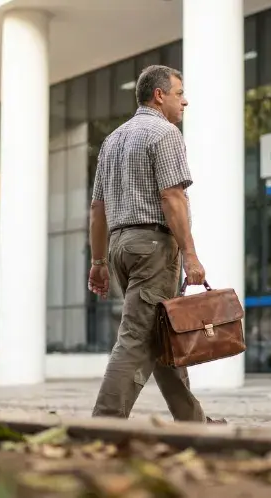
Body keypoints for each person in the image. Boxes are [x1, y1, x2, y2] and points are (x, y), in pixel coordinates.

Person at [87, 65, 224, 424]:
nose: (185, 101)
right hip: (152, 247)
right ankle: (103, 424)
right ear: (159, 95)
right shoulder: (164, 133)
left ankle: (193, 423)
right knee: (136, 337)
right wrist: (191, 256)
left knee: (162, 333)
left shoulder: (112, 140)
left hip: (120, 245)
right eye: (179, 93)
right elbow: (172, 196)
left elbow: (97, 208)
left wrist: (99, 261)